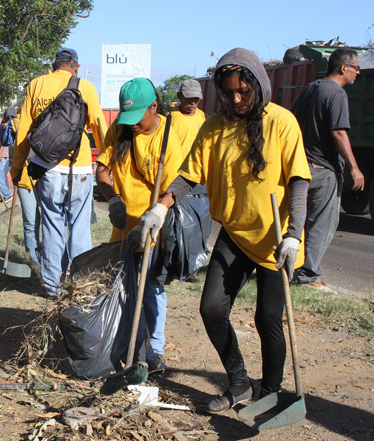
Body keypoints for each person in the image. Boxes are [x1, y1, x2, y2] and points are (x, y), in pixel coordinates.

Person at [157, 48, 311, 412]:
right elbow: (188, 175)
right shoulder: (215, 126)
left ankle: (270, 390)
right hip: (236, 235)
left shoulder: (282, 122)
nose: (237, 99)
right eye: (229, 93)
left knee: (267, 319)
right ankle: (239, 382)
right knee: (211, 308)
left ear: (258, 85)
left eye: (244, 92)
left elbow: (300, 182)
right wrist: (160, 208)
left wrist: (294, 235)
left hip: (276, 239)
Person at [96, 78, 184, 372]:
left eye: (137, 118)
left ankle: (154, 350)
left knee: (150, 290)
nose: (132, 125)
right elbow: (103, 172)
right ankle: (124, 344)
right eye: (127, 118)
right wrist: (112, 200)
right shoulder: (119, 130)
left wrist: (158, 211)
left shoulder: (168, 137)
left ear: (154, 107)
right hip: (122, 226)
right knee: (121, 287)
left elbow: (176, 187)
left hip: (152, 227)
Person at [10, 47, 106, 298]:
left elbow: (23, 131)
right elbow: (99, 127)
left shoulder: (35, 85)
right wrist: (108, 161)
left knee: (52, 227)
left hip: (47, 169)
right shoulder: (85, 86)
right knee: (80, 228)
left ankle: (53, 288)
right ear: (75, 66)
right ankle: (80, 285)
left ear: (54, 66)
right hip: (81, 168)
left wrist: (17, 167)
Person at [290, 48, 364, 287]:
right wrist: (354, 168)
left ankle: (290, 267)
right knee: (321, 223)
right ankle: (308, 275)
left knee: (298, 221)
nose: (358, 72)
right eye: (355, 68)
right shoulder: (337, 94)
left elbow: (291, 121)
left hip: (301, 168)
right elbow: (339, 132)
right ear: (344, 68)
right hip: (324, 169)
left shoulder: (310, 88)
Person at [169, 79, 206, 159]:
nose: (193, 102)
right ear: (179, 96)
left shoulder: (203, 117)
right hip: (176, 167)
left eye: (196, 98)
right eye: (189, 97)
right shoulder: (169, 118)